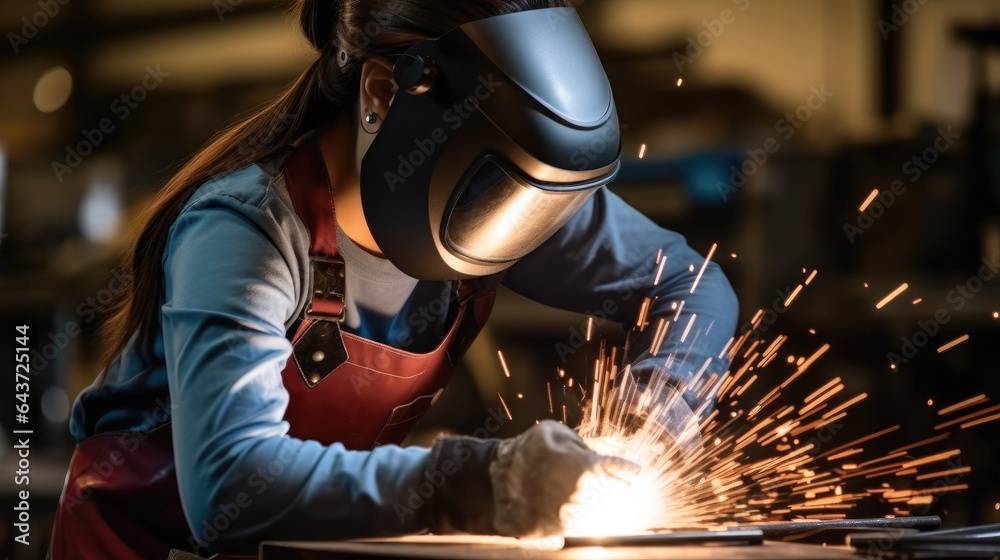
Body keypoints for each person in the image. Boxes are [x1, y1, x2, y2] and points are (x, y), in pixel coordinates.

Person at [49, 0, 739, 558]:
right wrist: (482, 481)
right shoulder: (245, 231)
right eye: (501, 189)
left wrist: (655, 425)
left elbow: (690, 286)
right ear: (383, 90)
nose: (525, 222)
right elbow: (231, 482)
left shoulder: (504, 199)